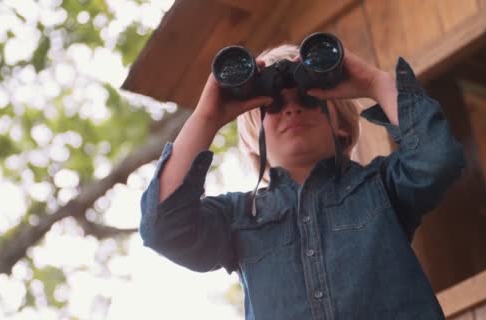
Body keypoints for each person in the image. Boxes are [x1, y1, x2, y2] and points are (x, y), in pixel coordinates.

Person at [139, 42, 465, 319]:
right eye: (274, 105)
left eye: (309, 99)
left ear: (342, 127)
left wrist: (374, 83)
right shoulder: (238, 217)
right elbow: (163, 228)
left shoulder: (382, 186)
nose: (292, 110)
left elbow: (437, 160)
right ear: (253, 138)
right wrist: (207, 117)